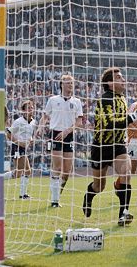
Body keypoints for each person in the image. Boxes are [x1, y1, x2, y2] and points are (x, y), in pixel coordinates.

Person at [82, 67, 137, 226]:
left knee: (126, 173)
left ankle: (123, 213)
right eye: (119, 77)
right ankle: (89, 196)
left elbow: (124, 122)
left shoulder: (122, 98)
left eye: (122, 77)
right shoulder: (104, 99)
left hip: (119, 145)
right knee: (99, 186)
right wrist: (133, 116)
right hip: (101, 147)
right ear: (110, 83)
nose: (123, 79)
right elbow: (109, 124)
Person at [36, 74, 84, 207]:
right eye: (68, 82)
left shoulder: (77, 102)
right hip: (55, 135)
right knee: (56, 166)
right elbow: (45, 116)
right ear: (61, 84)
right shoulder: (53, 100)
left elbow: (79, 122)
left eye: (72, 83)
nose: (70, 85)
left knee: (67, 171)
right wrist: (40, 127)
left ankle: (56, 192)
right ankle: (55, 200)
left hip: (68, 135)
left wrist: (67, 131)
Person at [0, 100, 36, 199]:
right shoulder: (18, 122)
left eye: (32, 107)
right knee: (27, 171)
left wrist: (30, 140)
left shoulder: (33, 122)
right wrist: (20, 143)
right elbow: (9, 135)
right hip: (17, 148)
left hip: (24, 148)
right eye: (28, 108)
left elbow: (29, 135)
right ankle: (23, 195)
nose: (31, 109)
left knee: (17, 173)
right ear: (23, 111)